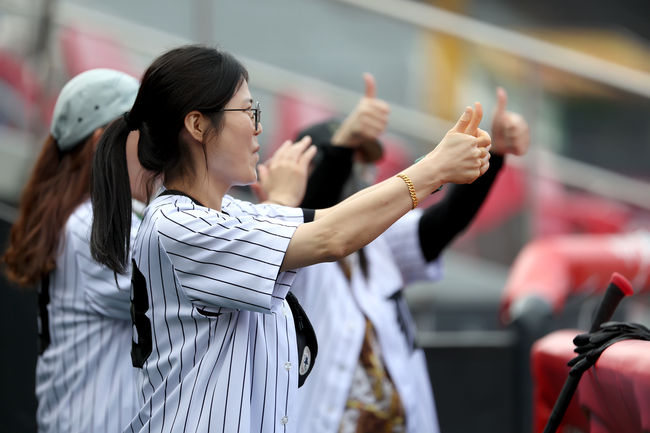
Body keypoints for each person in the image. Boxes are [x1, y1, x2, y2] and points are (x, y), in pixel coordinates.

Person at [88, 44, 491, 433]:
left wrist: (436, 169)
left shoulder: (231, 213)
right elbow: (332, 236)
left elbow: (331, 219)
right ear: (196, 125)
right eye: (248, 110)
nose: (258, 125)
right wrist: (433, 169)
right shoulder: (176, 224)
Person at [255, 74, 530, 433]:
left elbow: (444, 224)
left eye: (364, 160)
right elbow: (316, 215)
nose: (364, 173)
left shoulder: (376, 242)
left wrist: (494, 156)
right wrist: (339, 148)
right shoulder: (288, 243)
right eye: (352, 160)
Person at [2, 69, 147, 433]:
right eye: (144, 137)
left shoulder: (79, 216)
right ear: (103, 143)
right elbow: (190, 280)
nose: (156, 152)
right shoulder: (92, 225)